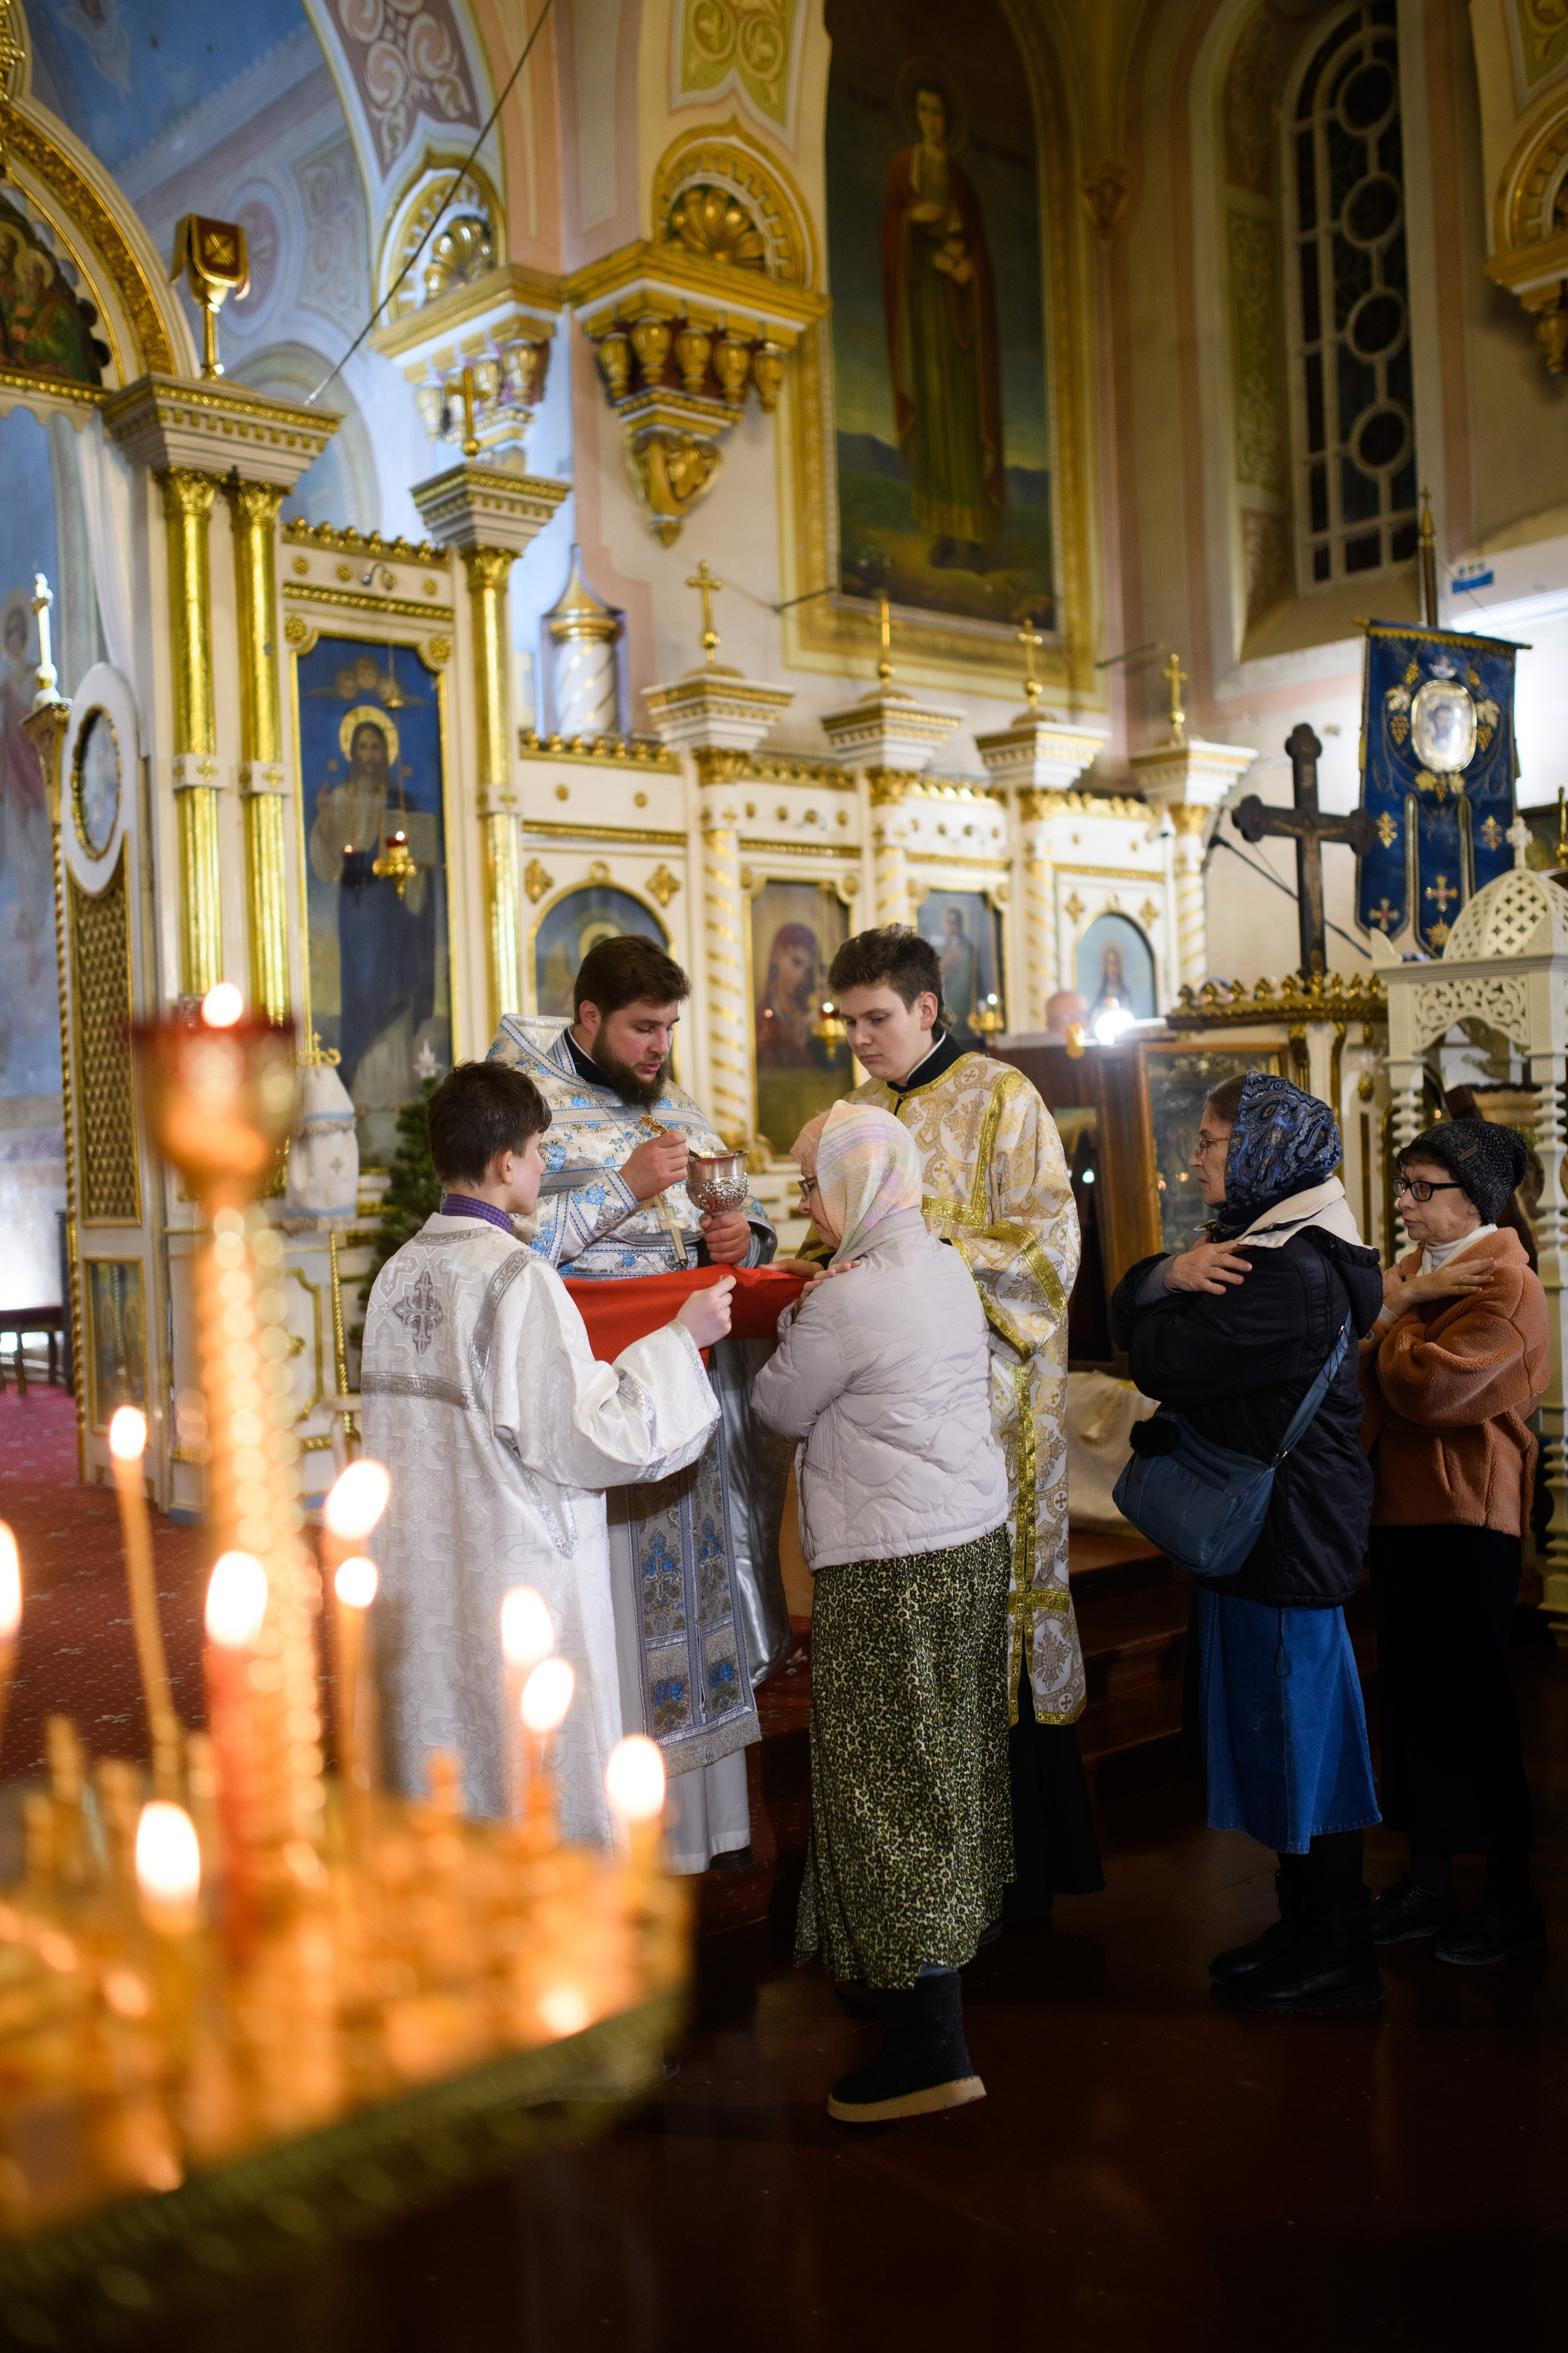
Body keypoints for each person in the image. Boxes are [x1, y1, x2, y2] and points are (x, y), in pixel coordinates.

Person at [361, 1061, 734, 1843]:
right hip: (518, 1574)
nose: (543, 1167)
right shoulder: (517, 1278)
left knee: (446, 1746)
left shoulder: (397, 1272)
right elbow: (590, 1437)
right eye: (539, 1151)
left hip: (427, 1575)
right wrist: (680, 1341)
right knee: (529, 1764)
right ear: (506, 1163)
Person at [488, 935, 790, 1873]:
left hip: (687, 1395)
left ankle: (703, 1829)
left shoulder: (674, 1105)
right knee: (616, 1610)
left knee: (693, 1599)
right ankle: (616, 1828)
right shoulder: (520, 1103)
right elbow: (504, 1261)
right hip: (597, 1406)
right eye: (642, 1028)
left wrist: (742, 1234)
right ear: (589, 1020)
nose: (660, 1046)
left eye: (668, 1027)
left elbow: (723, 1235)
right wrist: (623, 1188)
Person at [821, 924, 1103, 1919]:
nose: (859, 1036)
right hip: (894, 1417)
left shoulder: (1001, 1098)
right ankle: (942, 1874)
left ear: (926, 1009)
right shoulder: (858, 1112)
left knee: (998, 1620)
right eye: (847, 1019)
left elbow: (1048, 1256)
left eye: (876, 1017)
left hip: (993, 1413)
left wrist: (925, 1245)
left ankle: (1022, 1880)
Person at [752, 1101, 1011, 2121]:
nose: (805, 1203)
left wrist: (798, 1314)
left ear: (856, 1189)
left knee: (883, 1789)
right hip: (966, 1543)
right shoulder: (939, 1260)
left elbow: (778, 1406)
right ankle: (921, 1979)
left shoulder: (849, 1298)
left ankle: (928, 2049)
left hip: (893, 1567)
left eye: (814, 1183)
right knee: (943, 1767)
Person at [1110, 1070, 1387, 2013]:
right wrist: (1170, 1279)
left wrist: (1162, 1292)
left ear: (1268, 1150)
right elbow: (1151, 1327)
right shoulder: (1274, 1247)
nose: (1196, 1157)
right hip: (1277, 1528)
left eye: (1213, 1141)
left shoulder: (1287, 1269)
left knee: (1307, 1743)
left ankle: (1338, 1948)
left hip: (1290, 1532)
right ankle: (1303, 1925)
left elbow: (1163, 1358)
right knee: (1278, 1735)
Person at [1360, 1119, 1548, 1964]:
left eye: (1420, 1190)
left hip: (1469, 1518)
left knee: (1478, 1712)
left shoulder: (1509, 1284)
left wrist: (1390, 1327)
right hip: (1399, 1515)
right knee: (1412, 1707)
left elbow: (1433, 1391)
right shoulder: (1406, 1277)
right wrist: (1397, 1318)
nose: (1403, 1204)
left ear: (1472, 1198)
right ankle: (1429, 1885)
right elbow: (1356, 1384)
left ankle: (1514, 1901)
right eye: (1403, 1187)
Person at [880, 71, 1003, 567]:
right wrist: (912, 223)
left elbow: (977, 244)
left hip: (958, 318)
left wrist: (968, 265)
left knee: (960, 414)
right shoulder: (903, 166)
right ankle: (944, 532)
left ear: (948, 120)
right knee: (932, 413)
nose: (932, 120)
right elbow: (891, 225)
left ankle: (972, 532)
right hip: (922, 309)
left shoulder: (962, 182)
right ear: (916, 115)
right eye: (925, 110)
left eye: (938, 112)